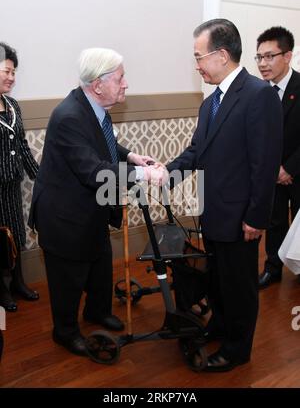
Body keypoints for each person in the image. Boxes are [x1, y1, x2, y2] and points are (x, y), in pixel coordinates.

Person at [28, 47, 167, 356]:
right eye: (120, 78)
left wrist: (130, 155)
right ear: (98, 84)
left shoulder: (91, 106)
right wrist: (144, 176)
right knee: (69, 277)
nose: (126, 84)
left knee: (100, 265)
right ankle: (64, 332)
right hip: (65, 216)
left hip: (92, 209)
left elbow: (102, 142)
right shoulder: (68, 116)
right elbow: (94, 171)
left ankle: (97, 311)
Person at [167, 19, 282, 372]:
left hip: (240, 218)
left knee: (240, 287)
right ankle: (218, 326)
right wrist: (163, 175)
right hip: (212, 214)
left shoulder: (258, 94)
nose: (197, 65)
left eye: (199, 57)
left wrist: (256, 218)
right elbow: (195, 153)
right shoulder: (210, 103)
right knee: (216, 280)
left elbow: (264, 165)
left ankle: (237, 349)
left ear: (221, 54)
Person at [255, 27, 300, 289]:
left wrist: (289, 168)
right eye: (259, 57)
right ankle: (273, 268)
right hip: (271, 172)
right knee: (274, 222)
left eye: (270, 56)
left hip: (297, 170)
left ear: (287, 56)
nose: (263, 64)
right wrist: (273, 169)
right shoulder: (259, 92)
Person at [0, 42, 39, 312]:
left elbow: (23, 145)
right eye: (6, 71)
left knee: (16, 233)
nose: (11, 78)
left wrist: (40, 176)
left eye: (14, 72)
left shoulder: (12, 105)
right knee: (0, 239)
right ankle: (2, 290)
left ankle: (18, 283)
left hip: (12, 185)